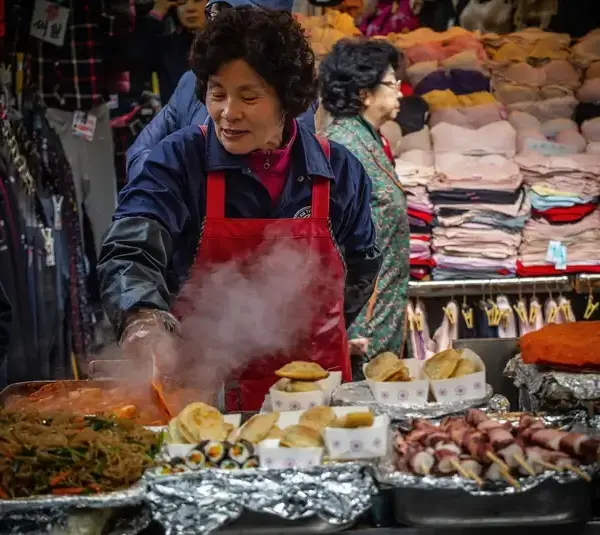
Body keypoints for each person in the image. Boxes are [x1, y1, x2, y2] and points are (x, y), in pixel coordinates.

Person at [97, 8, 382, 411]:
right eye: (217, 93)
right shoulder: (177, 161)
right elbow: (130, 249)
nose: (228, 113)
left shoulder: (339, 171)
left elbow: (362, 268)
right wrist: (142, 317)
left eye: (249, 96)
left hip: (315, 400)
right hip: (200, 399)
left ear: (287, 100)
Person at [126, 0, 318, 182]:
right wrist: (179, 180)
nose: (229, 112)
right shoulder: (190, 82)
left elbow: (292, 179)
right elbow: (139, 154)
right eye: (217, 13)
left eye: (248, 97)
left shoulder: (290, 93)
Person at [320, 38, 410, 364]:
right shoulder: (342, 147)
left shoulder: (371, 138)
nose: (400, 90)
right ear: (364, 93)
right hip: (359, 322)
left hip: (379, 307)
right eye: (391, 83)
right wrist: (343, 326)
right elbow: (329, 242)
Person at [126, 0, 207, 103]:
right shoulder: (166, 46)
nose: (190, 9)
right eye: (182, 3)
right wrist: (157, 12)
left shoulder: (228, 43)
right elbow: (135, 60)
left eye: (197, 0)